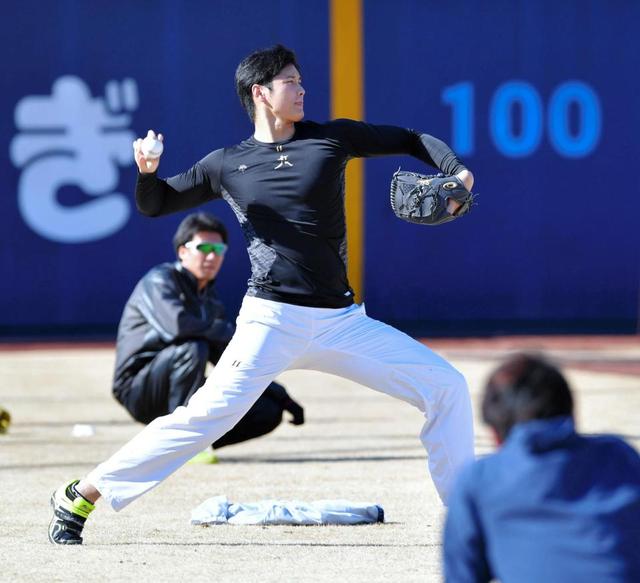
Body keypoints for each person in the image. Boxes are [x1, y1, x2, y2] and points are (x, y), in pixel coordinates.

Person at [48, 44, 476, 545]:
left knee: (447, 386)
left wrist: (456, 171)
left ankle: (468, 516)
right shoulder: (226, 164)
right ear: (261, 93)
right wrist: (146, 171)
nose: (302, 89)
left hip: (342, 321)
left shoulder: (330, 139)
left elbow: (410, 139)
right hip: (270, 320)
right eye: (291, 82)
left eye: (300, 80)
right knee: (203, 419)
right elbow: (156, 203)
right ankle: (83, 492)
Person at [112, 211, 304, 457]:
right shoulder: (160, 280)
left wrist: (280, 394)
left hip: (182, 383)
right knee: (192, 347)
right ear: (182, 252)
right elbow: (179, 327)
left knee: (268, 410)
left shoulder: (209, 300)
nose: (212, 255)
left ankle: (197, 445)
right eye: (203, 247)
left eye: (218, 249)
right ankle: (179, 446)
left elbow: (231, 356)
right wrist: (224, 331)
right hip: (139, 388)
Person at [443, 353, 640, 583]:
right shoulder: (618, 456)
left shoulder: (480, 479)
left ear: (495, 433)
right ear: (570, 411)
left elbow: (461, 576)